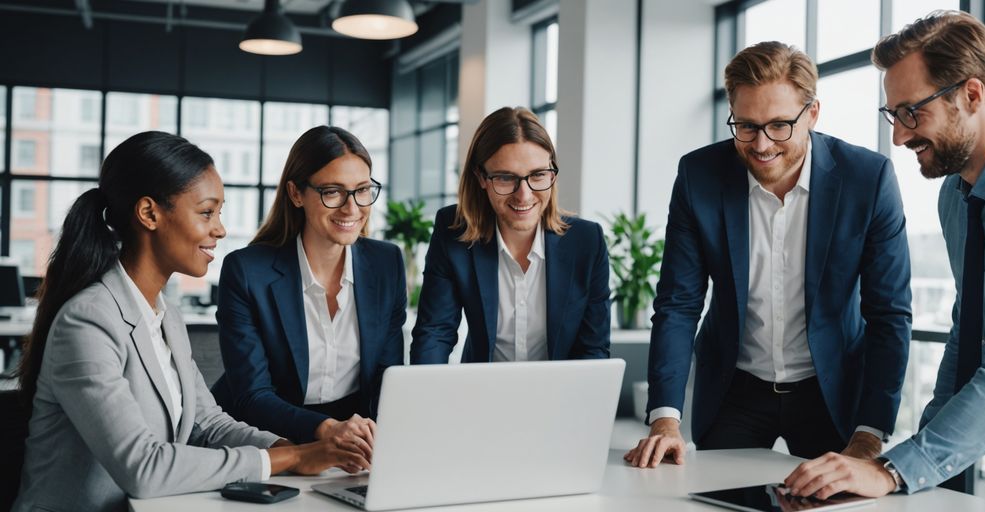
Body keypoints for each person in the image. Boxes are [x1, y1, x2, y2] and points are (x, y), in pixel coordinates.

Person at [13, 132, 371, 512]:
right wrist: (292, 460)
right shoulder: (87, 321)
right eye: (206, 212)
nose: (220, 229)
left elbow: (208, 424)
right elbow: (144, 466)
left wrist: (299, 451)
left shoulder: (165, 314)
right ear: (150, 214)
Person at [626, 41, 912, 468]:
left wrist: (870, 433)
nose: (761, 145)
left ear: (812, 113)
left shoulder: (867, 179)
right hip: (733, 390)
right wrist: (665, 417)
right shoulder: (698, 176)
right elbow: (678, 304)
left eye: (780, 125)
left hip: (831, 391)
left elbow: (888, 313)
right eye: (746, 126)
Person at [785, 10, 985, 505]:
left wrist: (896, 470)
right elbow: (968, 334)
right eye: (892, 116)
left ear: (972, 95)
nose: (898, 136)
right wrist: (904, 469)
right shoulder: (956, 196)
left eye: (912, 112)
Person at [211, 126, 406, 446]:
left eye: (362, 189)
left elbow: (386, 380)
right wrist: (327, 430)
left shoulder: (387, 265)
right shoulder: (247, 271)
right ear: (296, 193)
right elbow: (251, 395)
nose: (352, 208)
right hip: (261, 439)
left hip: (349, 443)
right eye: (333, 192)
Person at [411, 107, 610, 364]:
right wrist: (423, 397)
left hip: (561, 396)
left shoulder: (587, 241)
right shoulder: (453, 231)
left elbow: (593, 349)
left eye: (538, 175)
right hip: (482, 394)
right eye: (506, 178)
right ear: (481, 177)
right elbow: (435, 333)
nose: (524, 195)